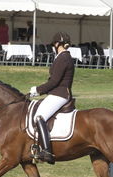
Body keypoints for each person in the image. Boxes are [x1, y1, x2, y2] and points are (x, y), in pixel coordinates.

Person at [29, 32, 75, 164]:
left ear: (57, 44)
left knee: (39, 117)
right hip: (57, 92)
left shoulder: (63, 58)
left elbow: (54, 81)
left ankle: (47, 152)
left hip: (60, 94)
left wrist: (37, 90)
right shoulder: (64, 57)